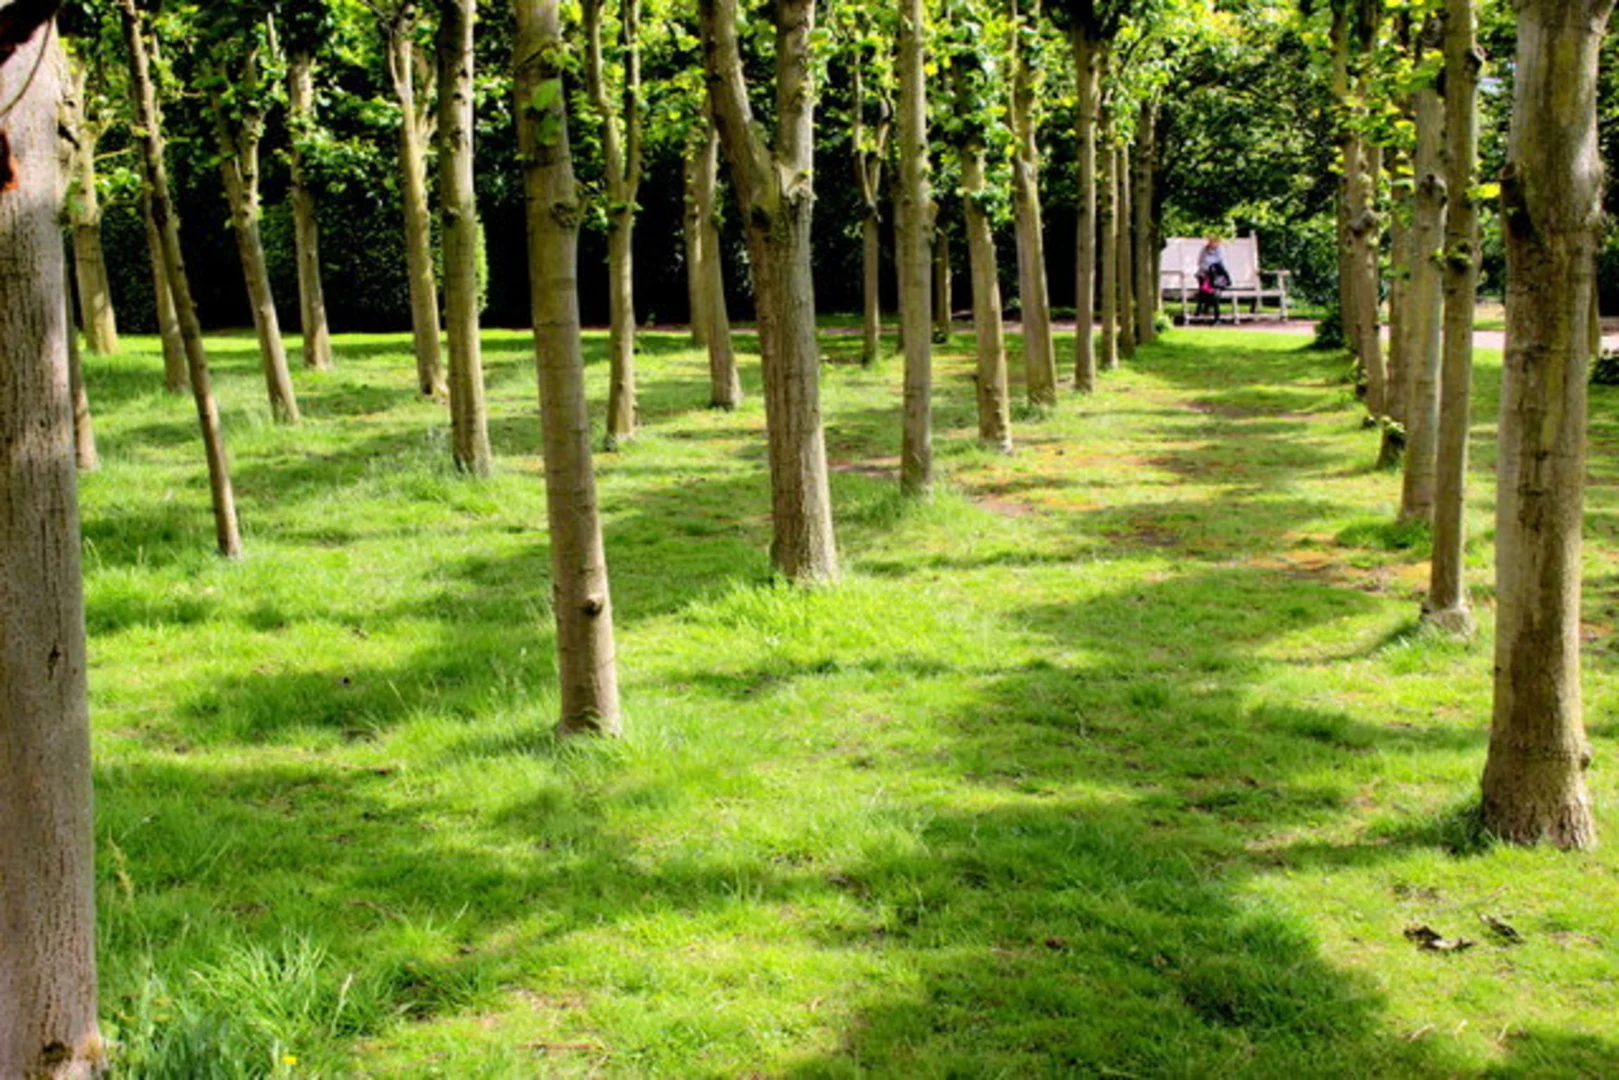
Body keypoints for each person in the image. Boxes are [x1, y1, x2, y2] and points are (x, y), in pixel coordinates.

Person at [1194, 235, 1231, 323]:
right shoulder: (1204, 250)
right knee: (1209, 292)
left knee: (1214, 293)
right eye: (1211, 241)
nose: (1213, 243)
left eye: (1216, 241)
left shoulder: (1220, 251)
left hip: (1217, 278)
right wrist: (1208, 270)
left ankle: (1214, 316)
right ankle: (1210, 313)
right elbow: (1200, 263)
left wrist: (1216, 272)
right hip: (1205, 276)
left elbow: (1222, 265)